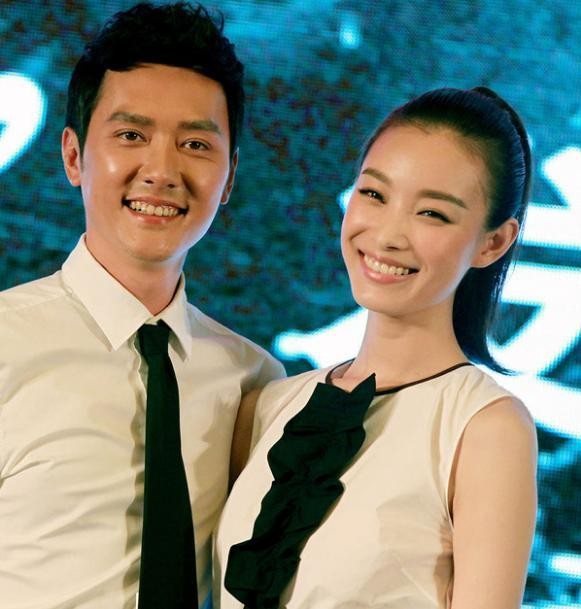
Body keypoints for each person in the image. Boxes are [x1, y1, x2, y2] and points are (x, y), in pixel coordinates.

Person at [0, 3, 284, 608]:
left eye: (195, 143)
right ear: (73, 155)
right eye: (131, 136)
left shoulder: (253, 382)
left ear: (230, 177)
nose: (161, 170)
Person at [213, 87, 538, 609]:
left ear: (493, 242)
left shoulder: (484, 427)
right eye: (374, 194)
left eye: (432, 214)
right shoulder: (270, 406)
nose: (387, 235)